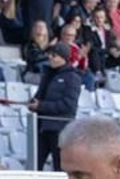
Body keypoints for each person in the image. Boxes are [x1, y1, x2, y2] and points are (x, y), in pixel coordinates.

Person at [29, 43, 82, 171]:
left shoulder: (72, 78)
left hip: (60, 129)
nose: (50, 57)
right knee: (34, 166)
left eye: (54, 55)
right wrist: (34, 102)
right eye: (49, 54)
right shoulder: (47, 75)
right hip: (42, 127)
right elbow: (40, 95)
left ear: (63, 58)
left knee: (60, 167)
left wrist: (41, 106)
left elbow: (68, 105)